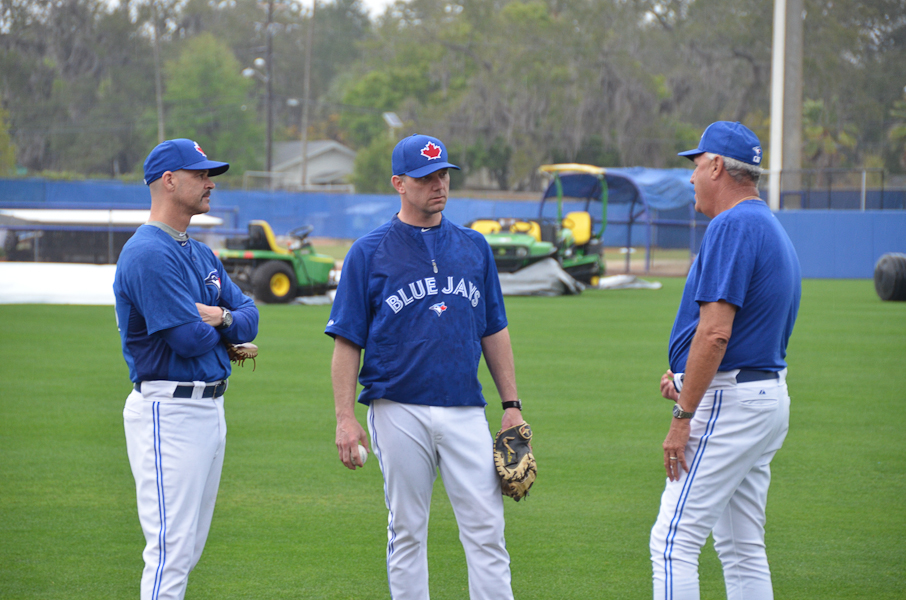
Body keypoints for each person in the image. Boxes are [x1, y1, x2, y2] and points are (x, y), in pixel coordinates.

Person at [326, 133, 525, 600]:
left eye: (443, 175)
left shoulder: (474, 246)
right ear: (399, 183)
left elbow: (494, 329)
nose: (439, 185)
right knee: (408, 529)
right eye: (425, 177)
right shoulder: (369, 252)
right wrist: (344, 417)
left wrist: (511, 405)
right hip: (397, 407)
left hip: (465, 407)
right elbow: (347, 341)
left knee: (487, 529)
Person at [649, 121, 801, 600]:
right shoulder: (766, 223)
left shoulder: (732, 224)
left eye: (696, 165)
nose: (692, 176)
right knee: (741, 547)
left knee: (672, 542)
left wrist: (683, 415)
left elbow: (716, 334)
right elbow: (745, 334)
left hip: (731, 401)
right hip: (762, 394)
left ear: (716, 166)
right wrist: (686, 378)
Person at [114, 139, 259, 600]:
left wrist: (219, 317)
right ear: (169, 181)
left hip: (209, 409)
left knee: (188, 549)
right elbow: (188, 339)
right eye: (199, 174)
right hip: (168, 410)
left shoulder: (200, 253)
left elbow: (250, 315)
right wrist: (228, 330)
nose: (209, 182)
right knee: (170, 552)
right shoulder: (148, 252)